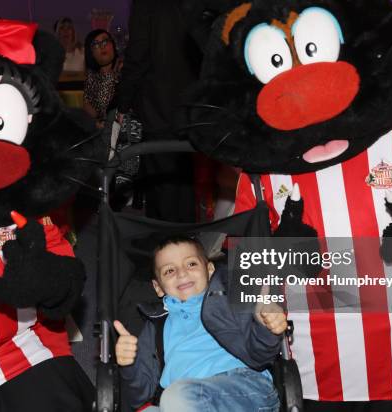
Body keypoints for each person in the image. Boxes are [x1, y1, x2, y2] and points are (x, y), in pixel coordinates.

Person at [114, 235, 286, 411]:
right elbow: (138, 396)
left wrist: (266, 327)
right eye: (169, 271)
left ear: (210, 270)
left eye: (191, 264)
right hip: (181, 398)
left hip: (244, 388)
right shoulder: (155, 325)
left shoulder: (228, 302)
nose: (182, 273)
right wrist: (129, 364)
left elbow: (261, 354)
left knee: (176, 398)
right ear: (158, 287)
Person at [116, 0, 202, 223]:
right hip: (190, 98)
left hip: (159, 99)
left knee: (161, 174)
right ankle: (183, 236)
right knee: (182, 174)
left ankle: (166, 240)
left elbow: (138, 53)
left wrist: (123, 102)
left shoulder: (148, 4)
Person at [83, 29, 121, 127]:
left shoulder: (125, 71)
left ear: (113, 45)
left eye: (105, 41)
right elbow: (90, 109)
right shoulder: (91, 76)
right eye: (96, 44)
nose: (102, 46)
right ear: (91, 53)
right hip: (100, 131)